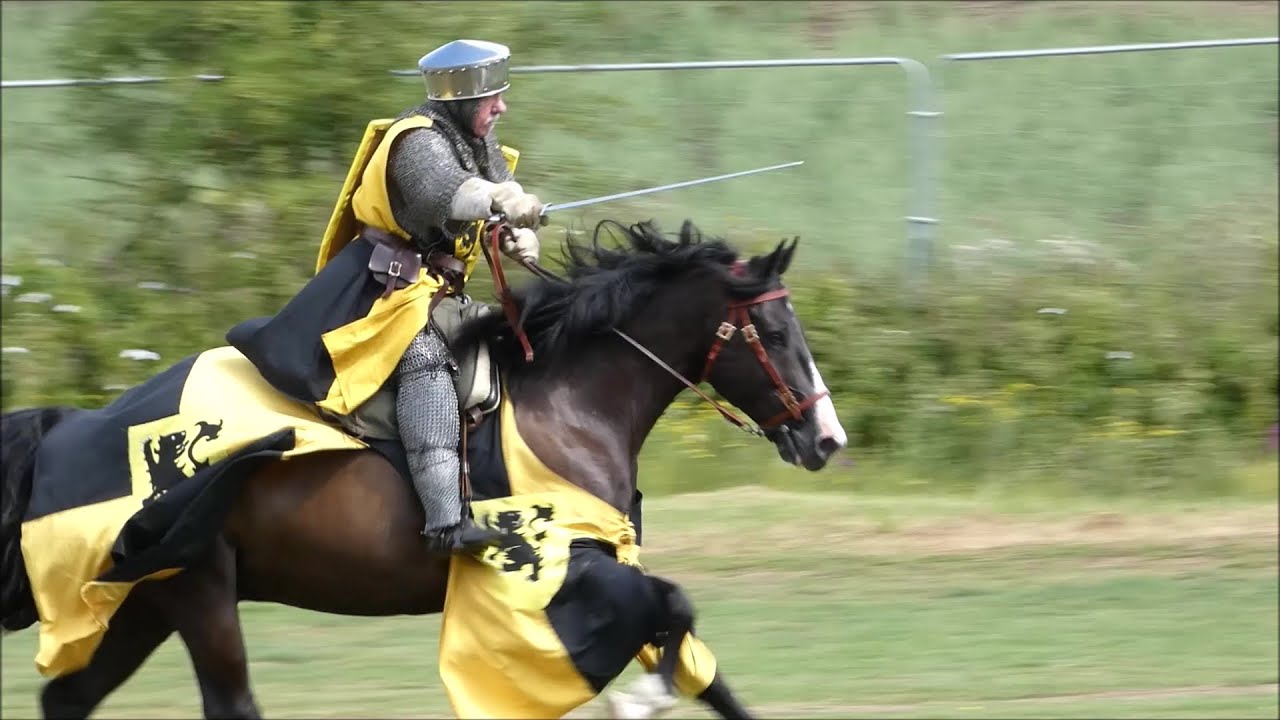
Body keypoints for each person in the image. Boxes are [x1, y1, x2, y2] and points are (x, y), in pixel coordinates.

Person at [226, 39, 545, 555]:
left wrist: (516, 235)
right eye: (492, 99)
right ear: (464, 99)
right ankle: (446, 522)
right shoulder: (415, 142)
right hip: (383, 289)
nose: (501, 107)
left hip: (432, 290)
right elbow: (452, 195)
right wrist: (500, 198)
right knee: (425, 360)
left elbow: (494, 212)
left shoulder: (478, 140)